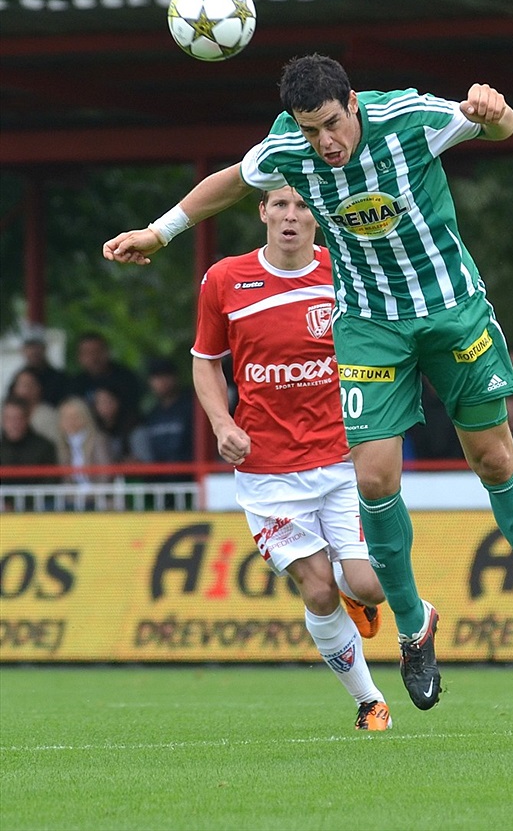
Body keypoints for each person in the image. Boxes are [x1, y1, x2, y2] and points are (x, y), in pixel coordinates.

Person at [104, 53, 513, 704]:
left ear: (352, 103)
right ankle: (414, 627)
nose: (324, 143)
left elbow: (498, 128)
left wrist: (496, 113)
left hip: (449, 309)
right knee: (374, 476)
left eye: (331, 124)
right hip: (368, 324)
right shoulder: (290, 149)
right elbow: (231, 180)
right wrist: (160, 233)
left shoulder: (409, 118)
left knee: (495, 458)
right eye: (309, 131)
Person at [191, 185, 390, 731]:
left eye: (303, 206)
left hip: (342, 459)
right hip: (267, 472)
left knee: (368, 584)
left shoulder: (347, 272)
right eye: (280, 204)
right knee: (319, 586)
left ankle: (365, 600)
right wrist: (222, 422)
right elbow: (206, 362)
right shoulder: (225, 279)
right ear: (261, 212)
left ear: (318, 217)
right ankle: (370, 702)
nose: (291, 216)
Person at [56, 396, 114, 510]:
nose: (70, 422)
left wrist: (86, 495)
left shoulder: (98, 441)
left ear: (85, 418)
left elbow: (105, 475)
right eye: (66, 418)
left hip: (97, 501)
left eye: (74, 417)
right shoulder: (61, 445)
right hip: (71, 502)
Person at [0, 396, 58, 508]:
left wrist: (19, 505)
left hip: (38, 514)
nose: (13, 424)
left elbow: (49, 485)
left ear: (27, 418)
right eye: (9, 419)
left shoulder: (44, 447)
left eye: (18, 418)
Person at [136, 358, 194, 467]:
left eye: (165, 376)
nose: (161, 382)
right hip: (160, 479)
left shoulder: (191, 409)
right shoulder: (151, 415)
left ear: (175, 378)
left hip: (188, 476)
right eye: (156, 378)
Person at [70, 331, 144, 409]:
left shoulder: (125, 378)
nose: (94, 357)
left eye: (97, 351)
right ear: (79, 358)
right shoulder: (76, 384)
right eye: (88, 353)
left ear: (107, 352)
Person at [6, 367, 61, 451]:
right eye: (22, 385)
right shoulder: (4, 411)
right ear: (14, 388)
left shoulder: (48, 415)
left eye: (29, 385)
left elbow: (57, 445)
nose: (25, 390)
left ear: (38, 388)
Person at [19, 329, 69, 407]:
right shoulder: (19, 377)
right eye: (30, 348)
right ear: (24, 350)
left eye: (37, 347)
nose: (33, 352)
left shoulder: (59, 378)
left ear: (44, 349)